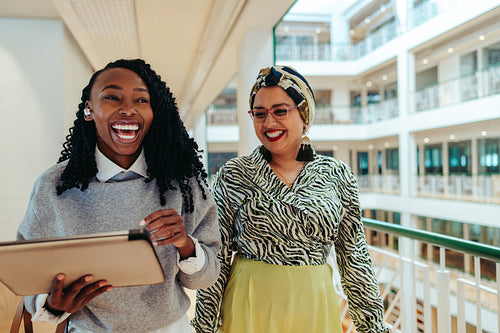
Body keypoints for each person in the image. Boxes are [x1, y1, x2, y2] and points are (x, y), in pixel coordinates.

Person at [17, 59, 221, 332]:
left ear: (153, 112)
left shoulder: (183, 184)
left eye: (141, 100)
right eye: (112, 97)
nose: (128, 109)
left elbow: (206, 278)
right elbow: (28, 275)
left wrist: (185, 243)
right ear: (89, 109)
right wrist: (53, 305)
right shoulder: (53, 187)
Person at [192, 66, 388, 333]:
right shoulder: (235, 174)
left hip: (315, 306)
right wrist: (204, 327)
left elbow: (354, 257)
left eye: (280, 111)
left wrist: (373, 327)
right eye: (259, 114)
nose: (269, 122)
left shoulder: (336, 174)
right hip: (249, 306)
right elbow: (218, 258)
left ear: (304, 114)